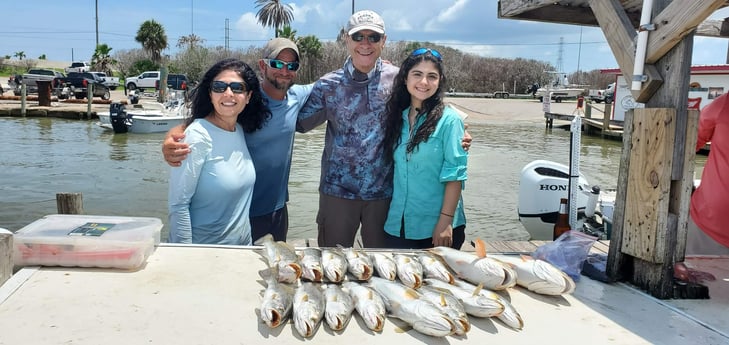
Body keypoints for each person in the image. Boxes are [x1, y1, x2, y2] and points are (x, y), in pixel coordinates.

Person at [163, 38, 313, 242]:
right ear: (263, 65)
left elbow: (333, 82)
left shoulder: (290, 97)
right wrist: (173, 136)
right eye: (277, 63)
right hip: (244, 213)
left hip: (274, 211)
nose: (284, 71)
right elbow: (202, 125)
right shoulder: (239, 99)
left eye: (291, 66)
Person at [167, 58, 270, 245]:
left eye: (237, 88)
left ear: (248, 96)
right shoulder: (197, 136)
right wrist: (183, 257)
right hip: (204, 254)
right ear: (210, 93)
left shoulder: (238, 129)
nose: (228, 93)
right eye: (219, 87)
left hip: (240, 251)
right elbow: (178, 205)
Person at [380, 48, 468, 250]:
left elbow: (455, 174)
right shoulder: (396, 118)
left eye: (432, 76)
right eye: (417, 74)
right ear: (405, 78)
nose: (424, 82)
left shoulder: (450, 120)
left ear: (440, 81)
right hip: (397, 225)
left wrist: (445, 222)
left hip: (436, 227)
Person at [685, 92, 729, 255]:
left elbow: (687, 143)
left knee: (696, 275)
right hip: (715, 221)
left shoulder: (723, 105)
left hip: (714, 221)